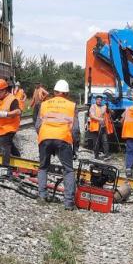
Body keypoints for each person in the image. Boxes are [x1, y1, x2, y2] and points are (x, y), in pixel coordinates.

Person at [36, 80, 79, 209]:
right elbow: (75, 130)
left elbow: (38, 125)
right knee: (68, 170)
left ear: (54, 92)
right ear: (66, 93)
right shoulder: (71, 105)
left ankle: (42, 196)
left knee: (43, 167)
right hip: (63, 138)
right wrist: (75, 147)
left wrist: (43, 138)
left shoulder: (44, 104)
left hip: (45, 137)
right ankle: (68, 202)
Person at [0, 78, 22, 166]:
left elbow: (18, 111)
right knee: (9, 144)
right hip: (0, 127)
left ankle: (5, 166)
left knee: (5, 145)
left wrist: (5, 114)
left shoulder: (12, 99)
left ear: (4, 90)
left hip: (9, 126)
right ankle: (17, 157)